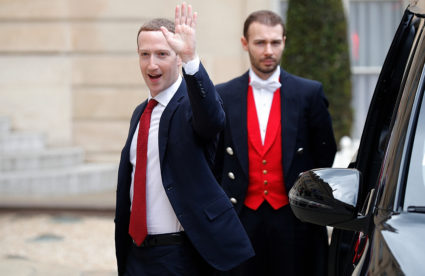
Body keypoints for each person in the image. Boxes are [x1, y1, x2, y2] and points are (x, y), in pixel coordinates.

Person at [114, 3, 254, 275]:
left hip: (180, 256)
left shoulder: (191, 104)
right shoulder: (140, 113)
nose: (151, 64)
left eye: (162, 54)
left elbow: (212, 119)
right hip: (136, 255)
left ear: (177, 58)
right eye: (145, 54)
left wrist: (192, 59)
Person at [215, 10, 337, 276]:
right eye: (260, 43)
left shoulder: (309, 93)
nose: (268, 50)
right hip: (242, 217)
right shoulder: (223, 95)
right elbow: (215, 160)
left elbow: (325, 152)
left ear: (284, 40)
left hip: (294, 220)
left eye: (275, 42)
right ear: (245, 43)